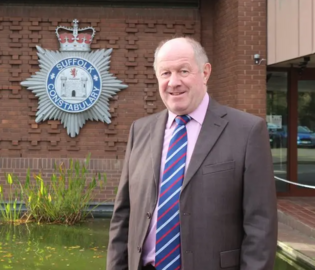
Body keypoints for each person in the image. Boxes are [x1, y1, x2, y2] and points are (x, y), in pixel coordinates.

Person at [106, 37, 277, 270]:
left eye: (183, 71)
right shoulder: (140, 130)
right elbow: (123, 216)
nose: (173, 82)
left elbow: (260, 227)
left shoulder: (247, 132)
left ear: (205, 72)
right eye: (165, 73)